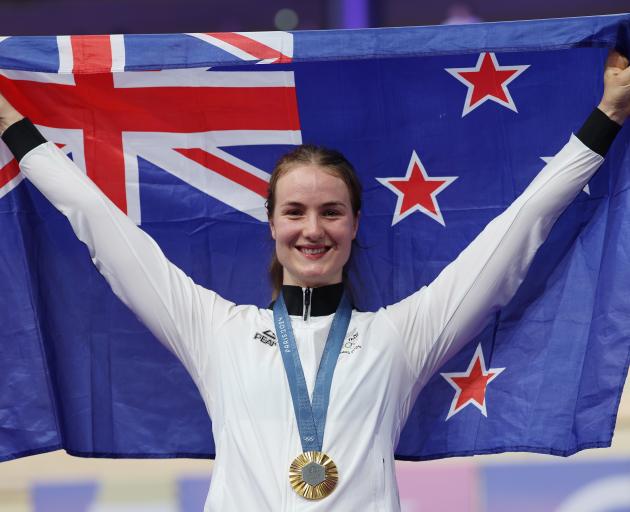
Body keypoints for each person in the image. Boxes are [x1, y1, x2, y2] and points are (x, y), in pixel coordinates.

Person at [0, 50, 629, 511]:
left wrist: (605, 116)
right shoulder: (217, 331)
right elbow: (103, 229)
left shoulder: (399, 337)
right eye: (294, 212)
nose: (312, 229)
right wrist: (11, 123)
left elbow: (513, 237)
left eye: (331, 212)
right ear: (270, 225)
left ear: (355, 225)